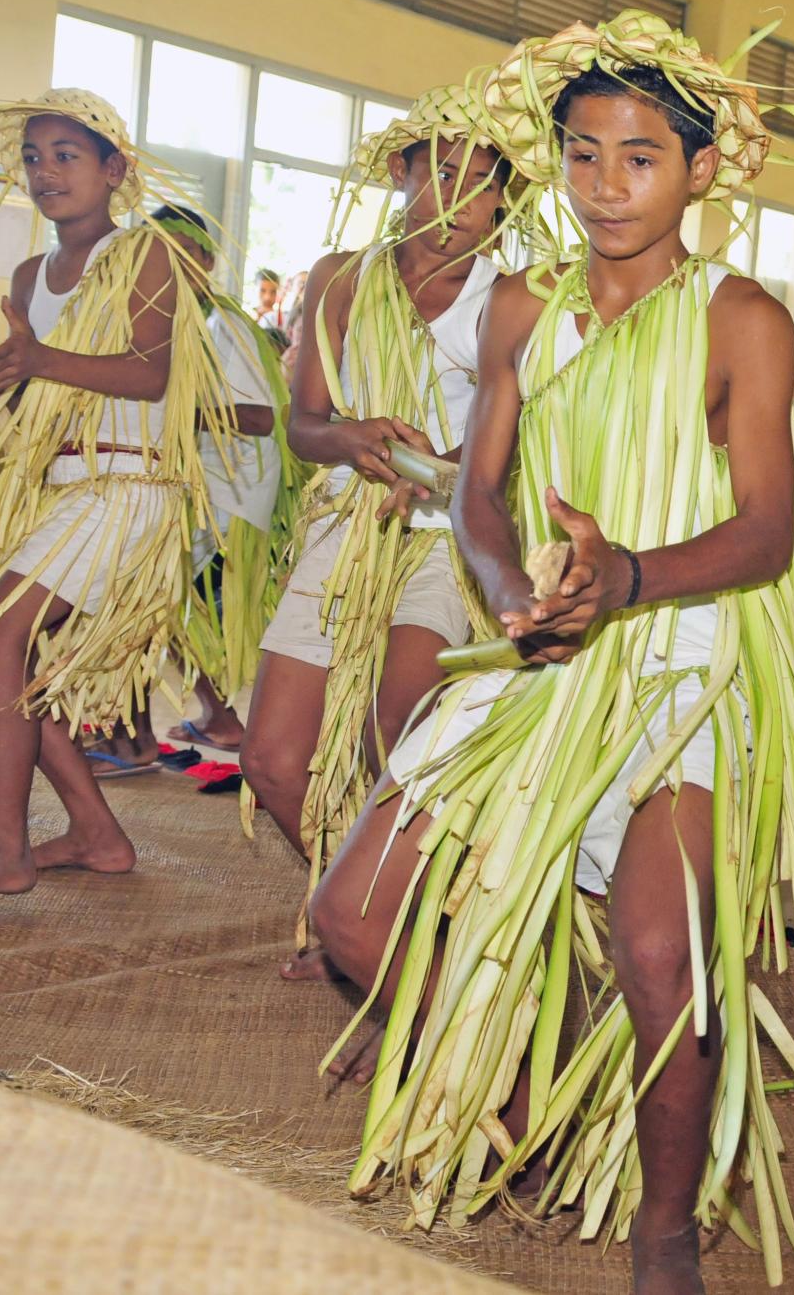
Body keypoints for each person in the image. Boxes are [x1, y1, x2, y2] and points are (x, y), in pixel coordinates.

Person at [304, 12, 794, 1290]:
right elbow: (481, 495)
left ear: (703, 170)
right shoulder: (524, 308)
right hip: (543, 647)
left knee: (657, 958)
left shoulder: (738, 318)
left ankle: (659, 1224)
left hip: (683, 656)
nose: (603, 185)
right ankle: (523, 1115)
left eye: (639, 157)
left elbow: (761, 532)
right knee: (351, 914)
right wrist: (511, 591)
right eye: (581, 154)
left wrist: (626, 576)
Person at [0, 90, 228, 902]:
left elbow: (149, 375)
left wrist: (37, 360)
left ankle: (2, 844)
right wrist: (2, 389)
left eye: (67, 156)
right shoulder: (28, 274)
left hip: (128, 483)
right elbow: (42, 390)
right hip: (64, 487)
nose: (46, 171)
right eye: (33, 158)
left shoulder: (145, 254)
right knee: (16, 668)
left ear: (114, 170)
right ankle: (94, 830)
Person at [239, 81, 529, 976]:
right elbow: (304, 426)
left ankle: (398, 940)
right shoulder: (341, 277)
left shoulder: (508, 298)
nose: (458, 201)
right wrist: (356, 440)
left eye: (484, 185)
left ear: (506, 203)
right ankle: (353, 914)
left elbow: (520, 443)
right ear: (400, 171)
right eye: (440, 172)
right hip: (343, 521)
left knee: (395, 729)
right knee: (272, 758)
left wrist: (440, 464)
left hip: (450, 531)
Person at [82, 205, 293, 770]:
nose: (160, 266)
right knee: (163, 608)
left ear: (204, 259)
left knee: (139, 601)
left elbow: (258, 418)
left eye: (174, 252)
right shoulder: (177, 321)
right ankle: (216, 719)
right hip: (196, 489)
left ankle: (132, 738)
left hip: (223, 494)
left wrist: (160, 411)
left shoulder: (226, 325)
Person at [253, 267, 284, 331]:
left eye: (273, 292)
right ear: (254, 290)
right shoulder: (242, 318)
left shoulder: (283, 322)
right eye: (262, 290)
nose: (267, 297)